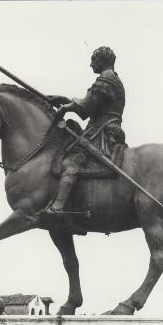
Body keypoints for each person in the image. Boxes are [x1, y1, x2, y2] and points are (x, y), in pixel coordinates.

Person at [46, 46, 126, 219]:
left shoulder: (107, 77)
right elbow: (89, 107)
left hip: (101, 131)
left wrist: (66, 107)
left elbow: (86, 107)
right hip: (103, 127)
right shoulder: (111, 78)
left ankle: (58, 207)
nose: (90, 65)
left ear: (102, 60)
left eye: (93, 60)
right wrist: (64, 100)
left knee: (72, 161)